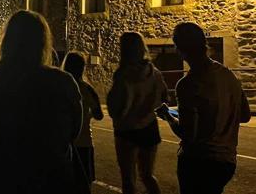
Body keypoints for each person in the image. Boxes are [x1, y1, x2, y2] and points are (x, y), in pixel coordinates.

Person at [0, 10, 83, 194]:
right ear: (43, 41)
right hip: (52, 180)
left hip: (1, 178)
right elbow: (73, 131)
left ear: (6, 40)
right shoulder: (63, 82)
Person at [157, 22, 251, 194]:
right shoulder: (229, 75)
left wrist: (168, 117)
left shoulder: (187, 84)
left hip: (199, 162)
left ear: (179, 49)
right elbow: (244, 115)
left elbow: (188, 133)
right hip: (227, 162)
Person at [107, 32, 167, 194]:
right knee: (147, 176)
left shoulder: (123, 75)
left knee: (128, 179)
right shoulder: (155, 73)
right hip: (149, 127)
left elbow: (115, 106)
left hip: (126, 129)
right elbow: (164, 96)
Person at [63, 51, 103, 194]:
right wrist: (87, 115)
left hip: (64, 143)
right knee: (85, 184)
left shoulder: (60, 87)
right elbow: (99, 115)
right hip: (84, 143)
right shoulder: (88, 89)